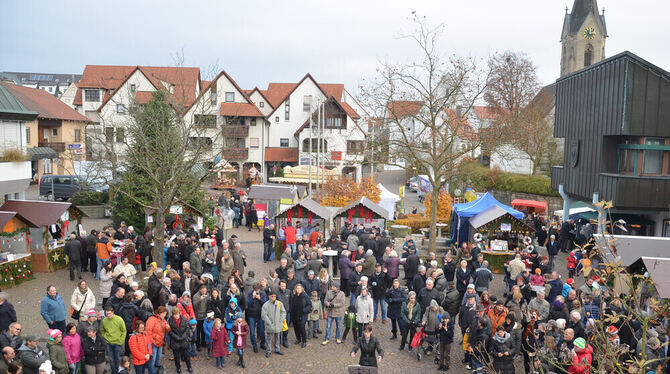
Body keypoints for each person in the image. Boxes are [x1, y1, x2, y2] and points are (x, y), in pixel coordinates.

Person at [100, 307, 126, 374]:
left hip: (117, 343)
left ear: (113, 312)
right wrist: (105, 338)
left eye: (109, 313)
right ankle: (114, 372)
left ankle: (119, 371)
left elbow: (124, 331)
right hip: (108, 343)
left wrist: (121, 341)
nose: (108, 315)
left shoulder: (119, 319)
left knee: (117, 359)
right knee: (111, 359)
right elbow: (102, 330)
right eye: (107, 314)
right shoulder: (104, 320)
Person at [167, 307, 192, 374]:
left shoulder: (183, 319)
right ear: (172, 315)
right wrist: (177, 337)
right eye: (175, 315)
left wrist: (183, 336)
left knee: (187, 355)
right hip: (175, 341)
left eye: (177, 314)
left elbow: (187, 328)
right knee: (176, 356)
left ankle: (189, 367)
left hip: (183, 340)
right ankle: (178, 368)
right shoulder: (170, 320)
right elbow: (170, 331)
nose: (176, 316)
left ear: (179, 313)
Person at [261, 291, 285, 358]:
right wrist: (269, 322)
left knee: (278, 337)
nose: (273, 297)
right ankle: (269, 350)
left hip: (278, 324)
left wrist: (281, 320)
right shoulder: (265, 305)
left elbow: (283, 312)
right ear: (269, 296)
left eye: (274, 296)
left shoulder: (279, 303)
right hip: (270, 325)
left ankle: (277, 349)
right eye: (272, 296)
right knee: (269, 338)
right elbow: (264, 315)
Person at [289, 284, 311, 348]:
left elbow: (309, 305)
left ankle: (304, 341)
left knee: (301, 326)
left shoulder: (305, 296)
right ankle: (298, 339)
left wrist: (304, 310)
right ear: (295, 289)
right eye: (297, 288)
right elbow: (291, 304)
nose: (298, 289)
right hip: (295, 314)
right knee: (296, 327)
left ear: (302, 289)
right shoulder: (294, 296)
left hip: (302, 314)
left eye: (299, 288)